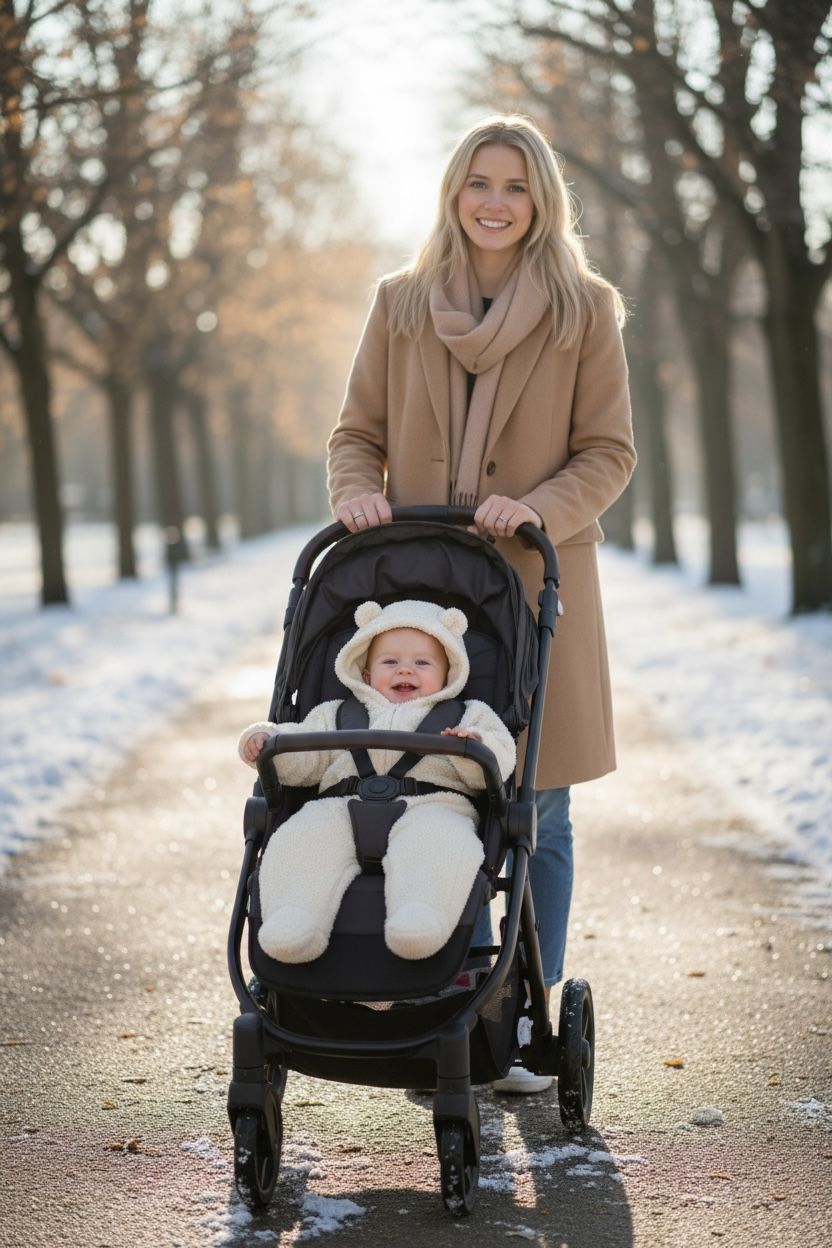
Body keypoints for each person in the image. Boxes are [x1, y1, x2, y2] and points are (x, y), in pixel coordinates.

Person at [326, 114, 636, 1092]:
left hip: (539, 585)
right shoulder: (401, 302)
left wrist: (534, 506)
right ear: (453, 194)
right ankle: (430, 989)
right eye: (479, 183)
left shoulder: (583, 310)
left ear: (540, 200)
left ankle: (518, 1011)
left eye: (515, 185)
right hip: (414, 597)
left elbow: (609, 453)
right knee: (425, 789)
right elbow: (353, 434)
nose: (495, 201)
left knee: (535, 806)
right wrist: (354, 498)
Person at [239, 598, 516, 965]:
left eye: (422, 662)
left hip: (433, 805)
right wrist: (269, 741)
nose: (406, 670)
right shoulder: (336, 713)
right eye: (390, 662)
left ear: (449, 673)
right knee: (300, 839)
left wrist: (476, 746)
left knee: (441, 843)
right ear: (366, 674)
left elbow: (500, 760)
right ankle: (294, 918)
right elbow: (302, 755)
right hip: (339, 806)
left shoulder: (469, 714)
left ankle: (421, 914)